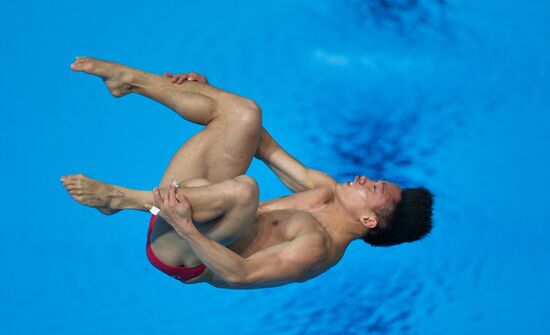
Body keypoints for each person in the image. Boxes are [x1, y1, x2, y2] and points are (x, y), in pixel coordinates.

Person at [61, 57, 433, 289]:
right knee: (246, 115)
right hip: (189, 206)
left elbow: (239, 274)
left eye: (376, 188)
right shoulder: (325, 189)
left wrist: (186, 228)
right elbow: (266, 150)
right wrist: (212, 96)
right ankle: (132, 81)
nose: (366, 178)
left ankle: (122, 199)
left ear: (369, 219)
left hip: (184, 251)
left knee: (244, 191)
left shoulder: (317, 250)